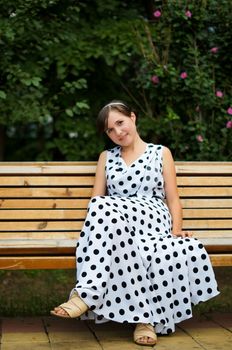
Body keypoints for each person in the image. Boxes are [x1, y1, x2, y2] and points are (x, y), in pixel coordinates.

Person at [51, 100, 219, 346]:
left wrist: (176, 232)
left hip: (153, 218)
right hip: (119, 226)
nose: (118, 132)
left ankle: (85, 294)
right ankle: (144, 320)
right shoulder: (106, 157)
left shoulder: (160, 153)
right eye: (110, 130)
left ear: (133, 117)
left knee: (102, 206)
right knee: (101, 207)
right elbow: (95, 202)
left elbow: (173, 199)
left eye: (120, 123)